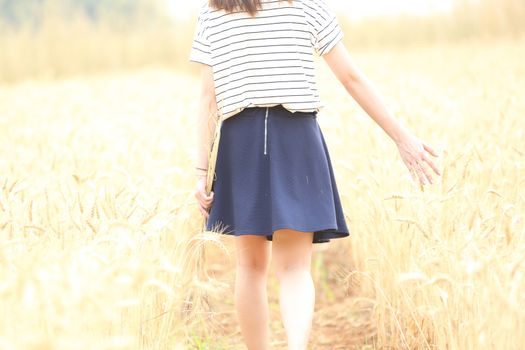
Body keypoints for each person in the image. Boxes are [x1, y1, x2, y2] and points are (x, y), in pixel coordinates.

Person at [189, 0, 441, 349]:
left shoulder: (212, 13)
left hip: (240, 143)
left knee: (249, 267)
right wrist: (402, 138)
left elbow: (207, 99)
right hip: (295, 138)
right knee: (294, 269)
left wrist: (202, 171)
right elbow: (351, 78)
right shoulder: (305, 5)